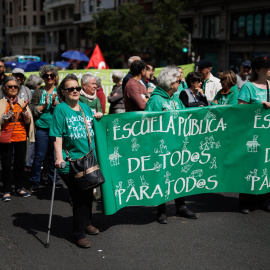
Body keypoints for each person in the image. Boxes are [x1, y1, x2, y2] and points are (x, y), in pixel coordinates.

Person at [50, 74, 102, 248]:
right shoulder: (61, 109)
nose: (75, 91)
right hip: (70, 161)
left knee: (88, 192)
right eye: (70, 88)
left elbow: (94, 125)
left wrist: (100, 117)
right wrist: (58, 157)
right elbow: (57, 135)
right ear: (63, 92)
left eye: (77, 88)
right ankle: (79, 233)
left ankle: (87, 222)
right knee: (79, 196)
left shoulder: (85, 108)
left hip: (88, 158)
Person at [145, 66, 198, 223]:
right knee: (162, 176)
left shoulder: (175, 98)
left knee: (178, 175)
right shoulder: (155, 100)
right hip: (162, 146)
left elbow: (184, 116)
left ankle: (181, 206)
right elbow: (148, 124)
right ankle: (161, 210)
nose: (181, 82)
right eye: (178, 81)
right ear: (170, 83)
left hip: (178, 145)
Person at [238, 56, 270, 214]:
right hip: (251, 136)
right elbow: (240, 111)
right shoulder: (248, 87)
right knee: (250, 167)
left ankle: (265, 200)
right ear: (258, 70)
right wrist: (258, 107)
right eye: (267, 67)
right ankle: (246, 200)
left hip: (267, 135)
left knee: (266, 166)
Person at [0, 77, 34, 202]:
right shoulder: (1, 103)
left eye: (15, 86)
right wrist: (9, 110)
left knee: (20, 164)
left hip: (20, 136)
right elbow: (1, 121)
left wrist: (24, 110)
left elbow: (28, 121)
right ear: (5, 89)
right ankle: (7, 190)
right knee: (6, 165)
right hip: (6, 137)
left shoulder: (22, 102)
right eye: (10, 86)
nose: (13, 88)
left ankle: (19, 188)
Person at [29, 65, 62, 192]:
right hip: (42, 128)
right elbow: (32, 108)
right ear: (43, 77)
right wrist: (43, 106)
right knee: (39, 156)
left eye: (51, 75)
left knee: (54, 156)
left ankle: (53, 181)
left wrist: (55, 105)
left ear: (55, 77)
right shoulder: (38, 91)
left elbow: (64, 108)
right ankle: (34, 181)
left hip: (55, 129)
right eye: (46, 75)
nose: (49, 77)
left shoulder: (59, 91)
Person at [24, 75, 44, 171]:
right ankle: (29, 163)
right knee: (33, 142)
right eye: (39, 84)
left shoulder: (27, 91)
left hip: (32, 118)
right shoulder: (33, 92)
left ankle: (29, 163)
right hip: (33, 118)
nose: (40, 86)